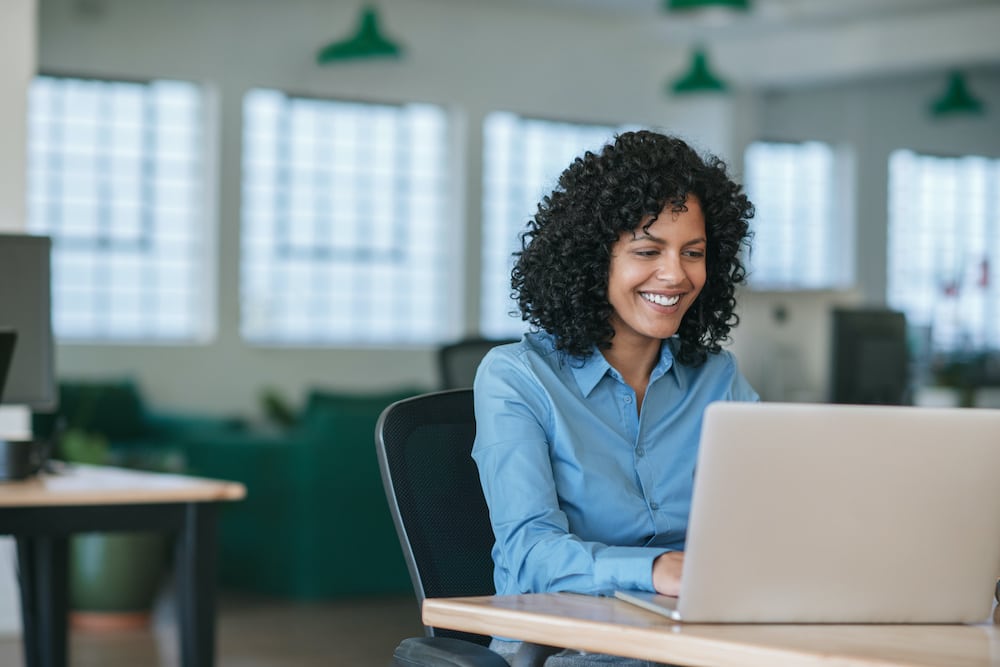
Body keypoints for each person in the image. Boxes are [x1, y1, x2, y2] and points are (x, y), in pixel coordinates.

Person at [472, 130, 758, 665]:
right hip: (570, 647)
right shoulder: (516, 377)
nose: (675, 274)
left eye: (692, 252)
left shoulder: (719, 379)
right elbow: (528, 552)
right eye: (648, 250)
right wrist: (655, 569)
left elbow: (777, 511)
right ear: (592, 258)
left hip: (700, 639)